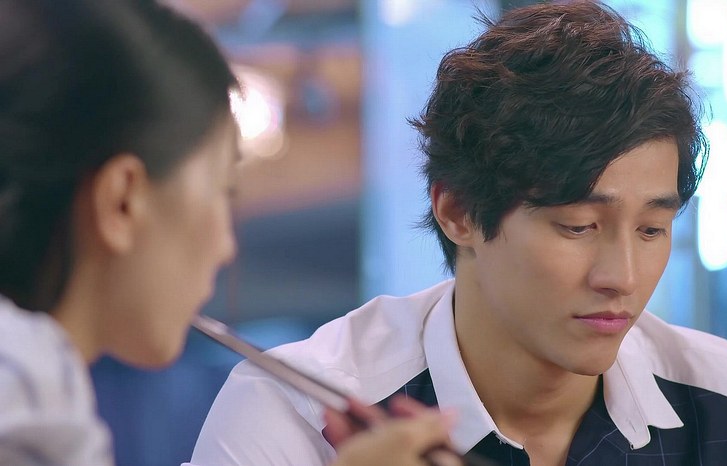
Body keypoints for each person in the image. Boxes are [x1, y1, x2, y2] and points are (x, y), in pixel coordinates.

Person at [189, 1, 727, 465]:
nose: (621, 277)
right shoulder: (299, 414)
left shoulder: (722, 404)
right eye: (578, 226)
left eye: (652, 229)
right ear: (458, 212)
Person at [0, 0, 456, 465]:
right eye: (222, 192)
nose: (225, 248)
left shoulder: (39, 383)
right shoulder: (23, 395)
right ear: (121, 202)